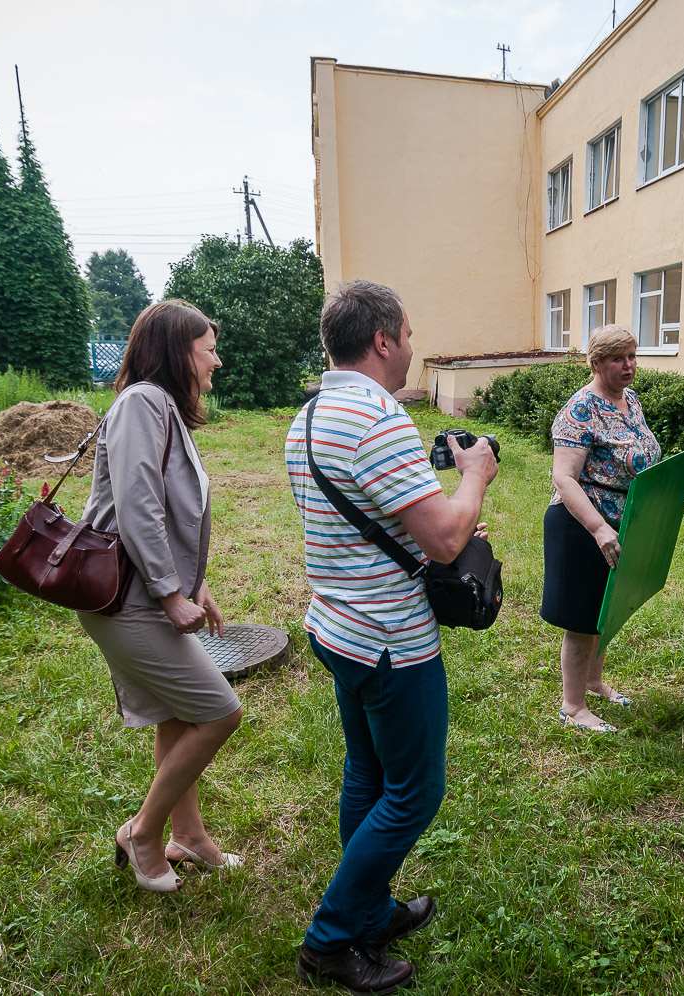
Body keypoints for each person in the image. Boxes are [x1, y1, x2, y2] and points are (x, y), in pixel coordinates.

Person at [286, 280, 497, 994]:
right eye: (407, 334)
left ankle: (371, 909)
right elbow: (444, 539)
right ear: (382, 340)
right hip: (388, 640)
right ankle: (331, 939)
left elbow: (357, 520)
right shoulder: (379, 419)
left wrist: (435, 516)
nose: (411, 346)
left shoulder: (309, 415)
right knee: (414, 792)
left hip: (336, 625)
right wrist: (474, 478)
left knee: (367, 774)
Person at [77, 299, 243, 893]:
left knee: (178, 714)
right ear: (177, 352)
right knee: (220, 712)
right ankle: (143, 833)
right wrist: (172, 594)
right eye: (208, 350)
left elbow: (167, 514)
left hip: (144, 592)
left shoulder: (162, 407)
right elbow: (138, 506)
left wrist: (196, 585)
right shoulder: (142, 403)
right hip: (127, 599)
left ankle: (189, 835)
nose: (217, 362)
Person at [541, 324, 661, 732]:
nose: (628, 365)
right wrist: (597, 528)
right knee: (581, 617)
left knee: (603, 609)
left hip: (620, 521)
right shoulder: (580, 410)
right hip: (581, 524)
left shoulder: (631, 399)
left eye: (631, 356)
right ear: (596, 363)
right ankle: (572, 707)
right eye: (617, 359)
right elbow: (563, 477)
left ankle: (593, 683)